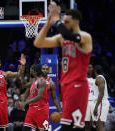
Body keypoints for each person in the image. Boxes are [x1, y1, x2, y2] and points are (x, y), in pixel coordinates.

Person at [34, 2, 92, 130]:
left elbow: (71, 36)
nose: (64, 23)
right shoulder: (62, 38)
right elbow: (38, 42)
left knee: (69, 126)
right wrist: (48, 23)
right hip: (65, 86)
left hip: (78, 85)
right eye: (63, 21)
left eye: (67, 21)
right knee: (72, 126)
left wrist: (57, 20)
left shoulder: (85, 37)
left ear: (76, 21)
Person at [20, 64, 50, 131]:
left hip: (41, 109)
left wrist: (27, 101)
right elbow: (24, 85)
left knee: (43, 130)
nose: (30, 73)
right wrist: (22, 72)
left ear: (35, 72)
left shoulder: (41, 81)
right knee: (25, 129)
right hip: (31, 109)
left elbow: (39, 96)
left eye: (31, 71)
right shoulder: (33, 81)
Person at [92, 65, 110, 131]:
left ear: (94, 70)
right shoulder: (100, 78)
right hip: (102, 103)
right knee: (100, 125)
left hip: (101, 103)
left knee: (100, 125)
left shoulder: (99, 78)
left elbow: (101, 94)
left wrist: (96, 107)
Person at [85, 64, 96, 131]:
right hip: (85, 103)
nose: (89, 69)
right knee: (87, 123)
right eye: (88, 67)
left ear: (93, 69)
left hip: (94, 103)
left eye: (90, 67)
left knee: (96, 123)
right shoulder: (82, 80)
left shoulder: (96, 80)